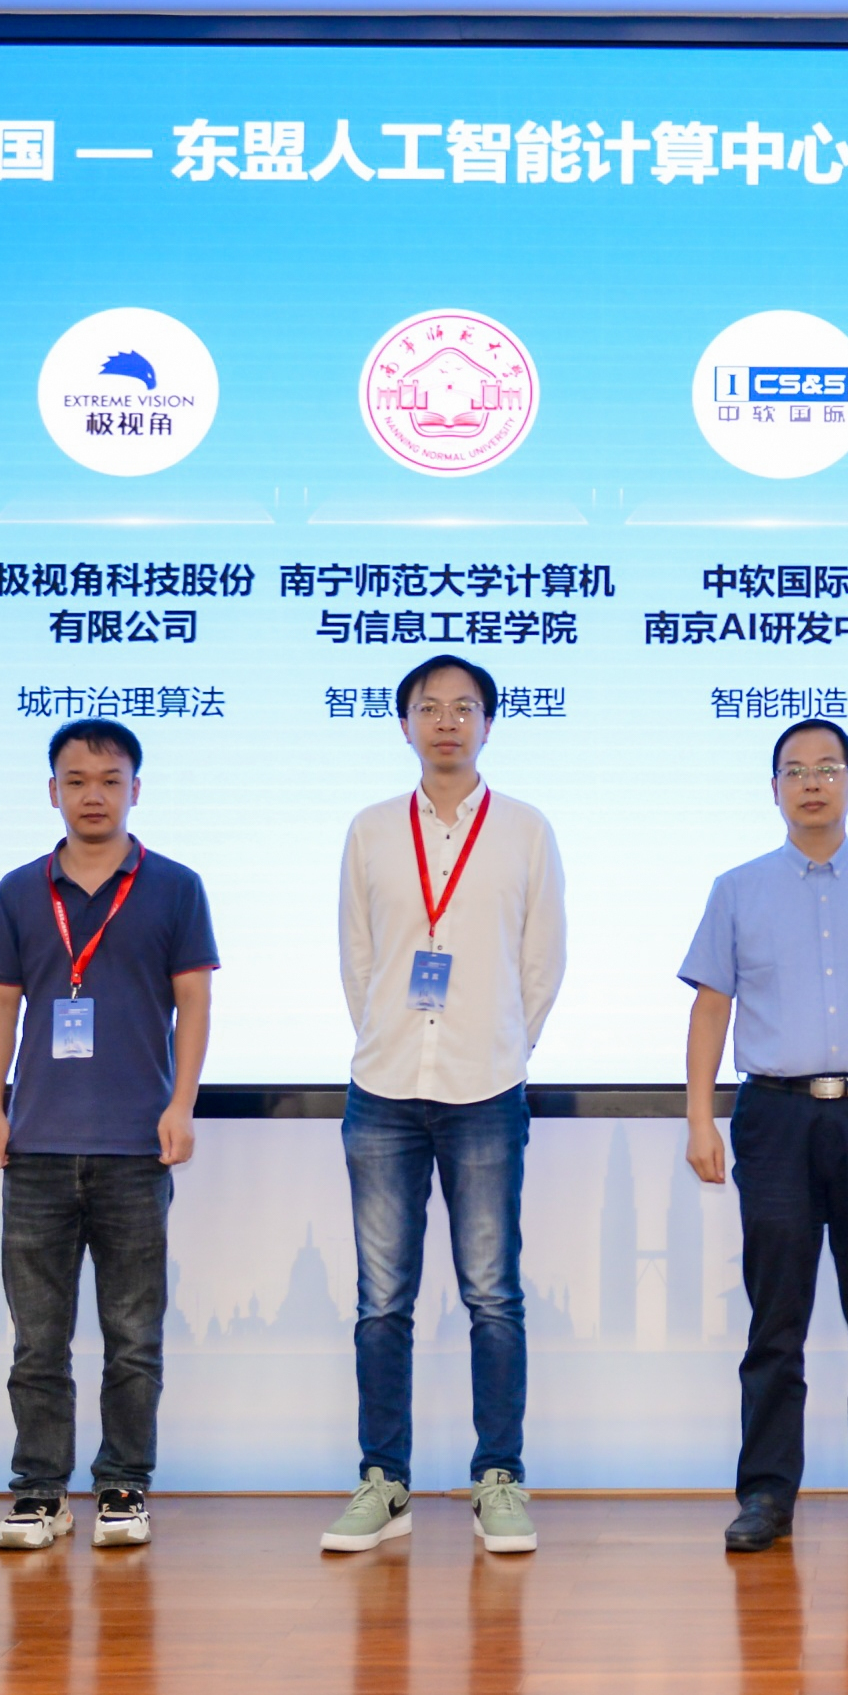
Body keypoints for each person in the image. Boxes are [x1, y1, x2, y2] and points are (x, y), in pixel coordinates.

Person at [681, 717, 848, 1555]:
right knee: (776, 1320)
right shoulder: (737, 889)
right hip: (774, 1116)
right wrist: (699, 1116)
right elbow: (710, 1008)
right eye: (795, 770)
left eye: (828, 768)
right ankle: (766, 1494)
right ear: (774, 789)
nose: (812, 782)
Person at [323, 655, 566, 1556]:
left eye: (465, 707)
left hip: (485, 1087)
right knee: (380, 1302)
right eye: (430, 707)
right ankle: (383, 1482)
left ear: (489, 724)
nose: (448, 722)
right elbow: (358, 958)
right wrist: (393, 1032)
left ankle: (497, 1476)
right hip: (384, 1087)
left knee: (493, 1296)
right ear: (405, 724)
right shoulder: (370, 829)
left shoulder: (526, 829)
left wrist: (500, 1042)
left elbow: (542, 961)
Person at [0, 718, 217, 1552]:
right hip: (37, 1147)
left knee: (132, 1338)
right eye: (76, 780)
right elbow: (0, 1004)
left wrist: (182, 1103)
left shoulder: (175, 886)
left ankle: (122, 1484)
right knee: (37, 1340)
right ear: (53, 790)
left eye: (110, 780)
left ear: (135, 789)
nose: (93, 795)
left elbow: (195, 1002)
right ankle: (40, 1491)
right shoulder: (18, 890)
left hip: (136, 1149)